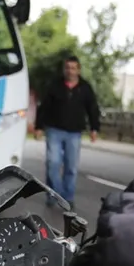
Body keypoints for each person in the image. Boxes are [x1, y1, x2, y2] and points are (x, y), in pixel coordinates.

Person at [34, 55, 100, 205]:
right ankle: (56, 195)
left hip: (74, 133)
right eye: (67, 68)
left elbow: (93, 109)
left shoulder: (85, 88)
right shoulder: (55, 85)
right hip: (54, 130)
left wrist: (94, 128)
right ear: (64, 69)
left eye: (73, 68)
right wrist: (39, 126)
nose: (70, 71)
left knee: (71, 167)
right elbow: (44, 107)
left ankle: (68, 197)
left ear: (78, 70)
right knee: (53, 163)